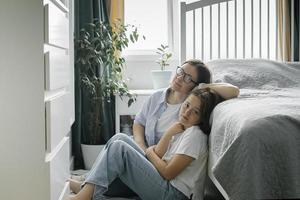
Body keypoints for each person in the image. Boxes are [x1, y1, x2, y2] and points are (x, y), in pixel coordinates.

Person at [68, 88, 224, 200]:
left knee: (119, 149)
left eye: (195, 111)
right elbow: (161, 155)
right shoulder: (183, 128)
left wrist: (149, 152)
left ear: (202, 117)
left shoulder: (195, 135)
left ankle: (84, 195)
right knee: (120, 138)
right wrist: (169, 133)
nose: (186, 112)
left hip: (175, 194)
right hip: (166, 184)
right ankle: (88, 187)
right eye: (187, 105)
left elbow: (168, 172)